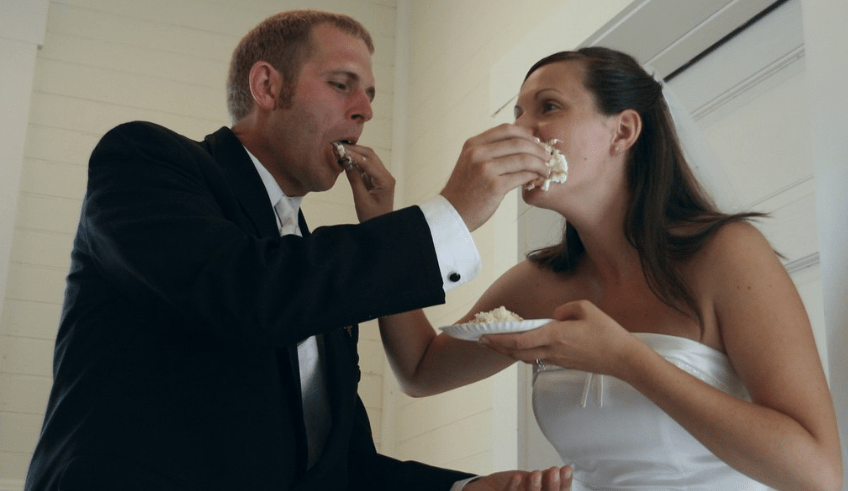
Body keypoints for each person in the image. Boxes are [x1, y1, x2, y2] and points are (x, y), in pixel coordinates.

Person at [23, 10, 574, 491]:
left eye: (372, 94)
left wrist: (463, 488)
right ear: (266, 86)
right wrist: (447, 215)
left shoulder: (317, 275)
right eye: (342, 84)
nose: (365, 111)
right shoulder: (145, 159)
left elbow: (341, 468)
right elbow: (244, 293)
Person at [379, 47, 843, 491]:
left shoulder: (726, 256)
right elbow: (421, 371)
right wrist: (383, 228)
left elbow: (817, 473)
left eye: (549, 107)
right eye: (518, 113)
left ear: (622, 132)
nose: (520, 130)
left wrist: (625, 358)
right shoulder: (536, 286)